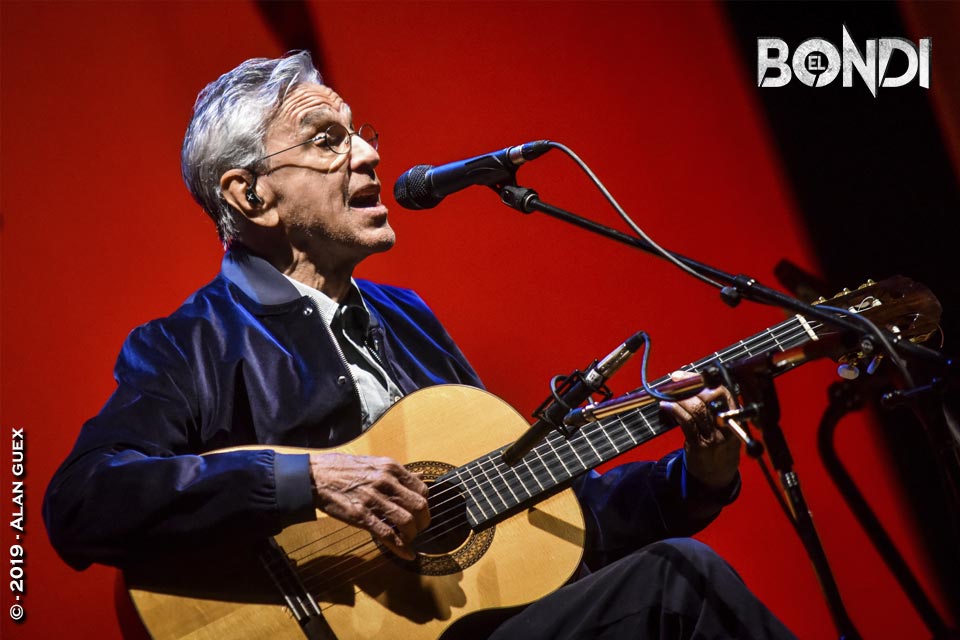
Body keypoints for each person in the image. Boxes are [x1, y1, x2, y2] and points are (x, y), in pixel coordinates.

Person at [43, 50, 797, 639]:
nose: (368, 157)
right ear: (251, 196)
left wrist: (692, 478)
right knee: (676, 582)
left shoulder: (406, 317)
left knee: (671, 583)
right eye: (327, 141)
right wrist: (307, 482)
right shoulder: (191, 345)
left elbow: (544, 521)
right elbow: (81, 502)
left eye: (361, 136)